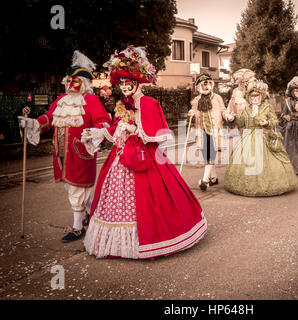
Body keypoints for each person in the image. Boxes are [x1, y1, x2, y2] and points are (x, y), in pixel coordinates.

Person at [82, 46, 207, 259]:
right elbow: (115, 128)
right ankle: (117, 244)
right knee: (113, 197)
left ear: (137, 83)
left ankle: (154, 239)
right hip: (121, 156)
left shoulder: (149, 103)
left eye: (127, 82)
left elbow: (157, 133)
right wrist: (99, 131)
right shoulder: (122, 104)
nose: (124, 86)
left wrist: (136, 130)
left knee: (156, 197)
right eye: (121, 83)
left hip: (144, 156)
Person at [18, 51, 111, 242]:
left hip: (81, 153)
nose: (70, 84)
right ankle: (94, 214)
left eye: (75, 81)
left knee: (78, 190)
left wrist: (95, 133)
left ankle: (78, 228)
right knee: (71, 189)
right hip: (61, 155)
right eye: (69, 80)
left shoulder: (91, 100)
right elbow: (50, 118)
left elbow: (103, 122)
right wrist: (33, 123)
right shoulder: (61, 100)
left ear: (84, 83)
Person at [224, 79, 297, 196]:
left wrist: (267, 122)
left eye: (256, 97)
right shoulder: (247, 108)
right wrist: (233, 119)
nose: (254, 99)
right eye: (251, 97)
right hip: (248, 137)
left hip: (263, 137)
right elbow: (242, 122)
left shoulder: (267, 107)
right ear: (248, 98)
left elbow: (275, 121)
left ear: (261, 96)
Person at [188, 73, 232, 191]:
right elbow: (194, 110)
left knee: (211, 156)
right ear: (199, 87)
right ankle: (214, 178)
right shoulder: (196, 100)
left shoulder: (217, 98)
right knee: (205, 155)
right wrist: (191, 112)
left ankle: (205, 180)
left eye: (208, 84)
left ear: (211, 85)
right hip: (201, 131)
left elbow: (223, 110)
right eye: (203, 85)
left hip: (214, 131)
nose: (206, 87)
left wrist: (228, 116)